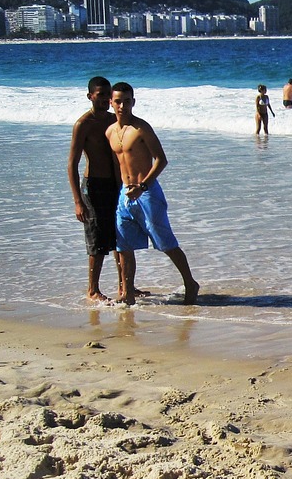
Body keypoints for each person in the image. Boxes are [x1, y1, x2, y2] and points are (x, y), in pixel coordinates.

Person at [108, 82, 199, 306]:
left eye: (126, 101)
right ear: (111, 102)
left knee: (165, 243)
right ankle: (127, 294)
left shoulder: (141, 128)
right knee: (123, 246)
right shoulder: (110, 131)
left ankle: (190, 283)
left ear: (133, 102)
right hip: (124, 195)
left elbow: (161, 160)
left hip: (147, 193)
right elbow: (116, 165)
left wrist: (143, 186)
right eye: (118, 101)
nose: (122, 106)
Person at [67, 75, 122, 302]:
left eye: (107, 95)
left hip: (115, 185)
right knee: (97, 239)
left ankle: (125, 286)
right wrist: (78, 201)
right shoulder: (84, 124)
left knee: (121, 237)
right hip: (93, 185)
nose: (104, 99)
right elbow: (72, 163)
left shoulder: (113, 119)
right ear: (90, 96)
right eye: (100, 95)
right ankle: (93, 290)